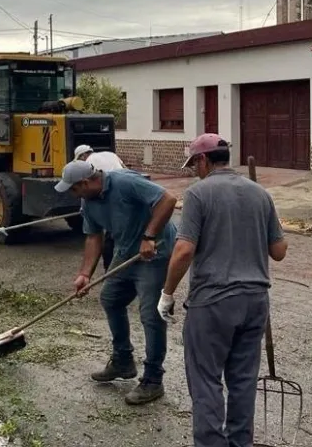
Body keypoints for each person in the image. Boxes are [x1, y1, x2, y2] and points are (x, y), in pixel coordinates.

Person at [159, 134, 288, 447]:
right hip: (255, 301)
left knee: (205, 381)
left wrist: (167, 293)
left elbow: (183, 251)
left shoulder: (199, 194)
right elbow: (280, 250)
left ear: (203, 160)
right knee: (243, 382)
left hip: (213, 303)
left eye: (194, 165)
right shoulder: (260, 194)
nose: (193, 171)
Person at [56, 160, 178, 405]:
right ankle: (123, 360)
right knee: (110, 298)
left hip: (154, 253)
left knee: (151, 314)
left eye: (73, 189)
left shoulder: (125, 182)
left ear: (86, 182)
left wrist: (149, 236)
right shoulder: (88, 201)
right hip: (125, 252)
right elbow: (93, 236)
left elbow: (168, 199)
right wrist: (85, 274)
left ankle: (153, 379)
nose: (72, 194)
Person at [72, 144, 126, 271]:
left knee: (110, 236)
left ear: (83, 155)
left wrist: (83, 209)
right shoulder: (110, 154)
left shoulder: (88, 163)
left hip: (109, 198)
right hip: (123, 195)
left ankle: (111, 270)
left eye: (80, 159)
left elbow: (86, 186)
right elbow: (124, 169)